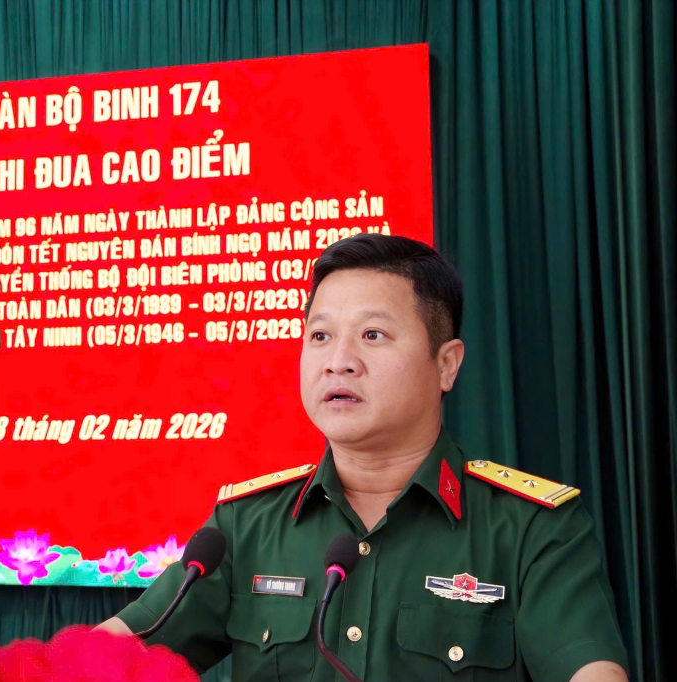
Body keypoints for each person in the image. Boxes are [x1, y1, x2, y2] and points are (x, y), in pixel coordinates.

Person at [98, 235, 629, 681]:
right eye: (320, 335)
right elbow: (102, 659)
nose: (338, 361)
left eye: (372, 335)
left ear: (446, 365)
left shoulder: (532, 529)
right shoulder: (245, 526)